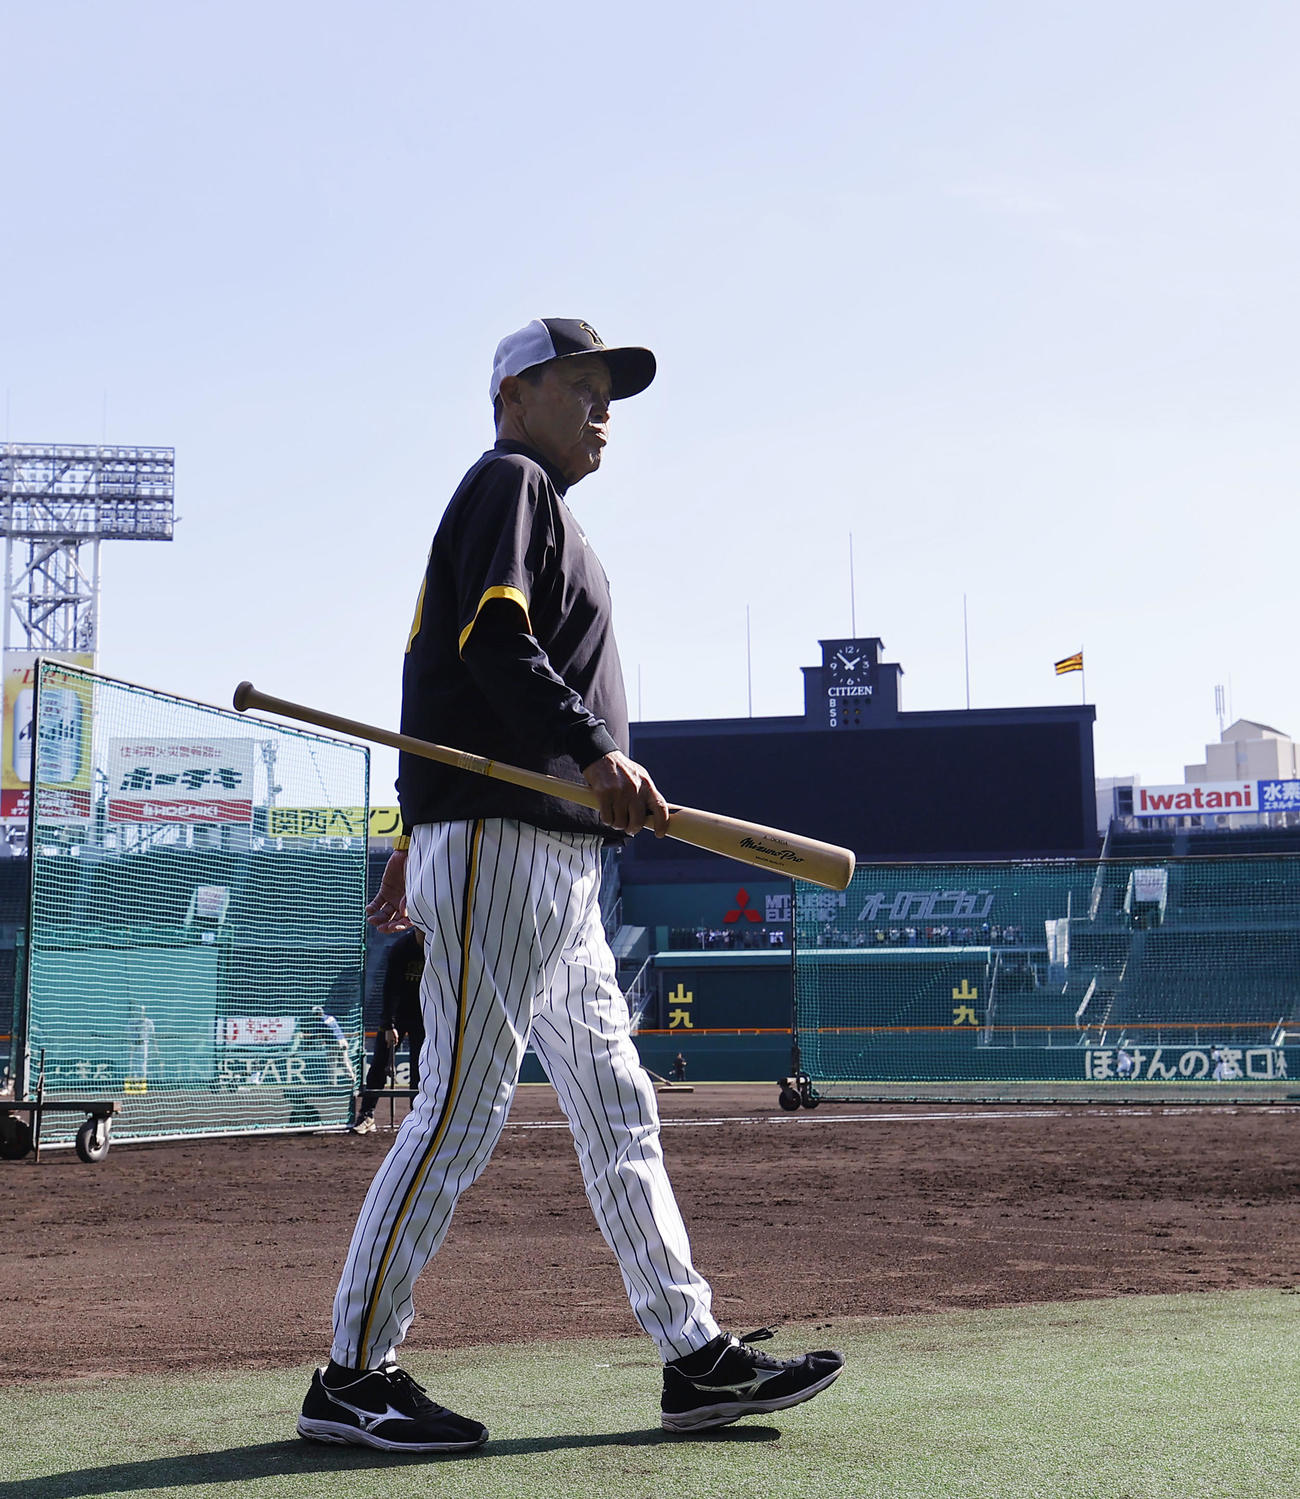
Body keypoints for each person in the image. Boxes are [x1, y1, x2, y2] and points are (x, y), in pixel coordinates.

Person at [297, 318, 843, 1454]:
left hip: (540, 854)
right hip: (508, 839)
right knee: (459, 1106)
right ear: (516, 392)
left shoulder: (538, 505)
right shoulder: (509, 481)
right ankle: (352, 1373)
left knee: (615, 1102)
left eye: (611, 392)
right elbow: (490, 641)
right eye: (583, 386)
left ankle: (692, 1355)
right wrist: (592, 749)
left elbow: (437, 675)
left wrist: (413, 823)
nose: (604, 410)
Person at [351, 928, 426, 1134]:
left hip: (424, 1017)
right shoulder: (400, 948)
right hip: (397, 1016)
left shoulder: (436, 948)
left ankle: (418, 1117)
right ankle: (367, 1115)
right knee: (379, 1066)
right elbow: (390, 988)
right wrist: (388, 1025)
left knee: (421, 1070)